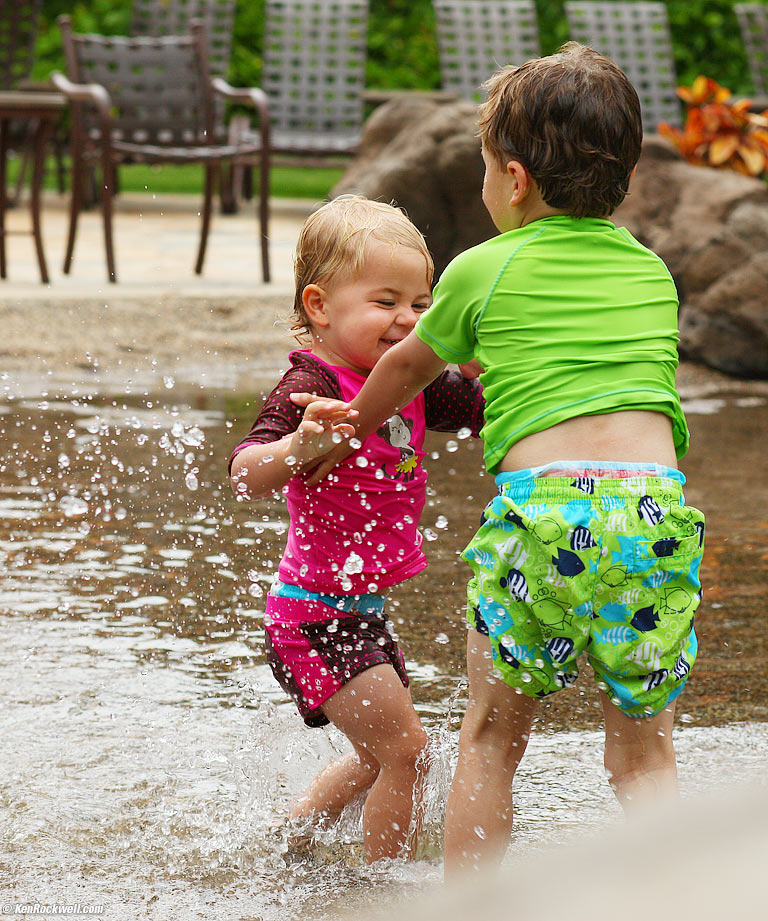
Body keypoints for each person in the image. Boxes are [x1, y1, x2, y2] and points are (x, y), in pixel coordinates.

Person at [303, 44, 706, 874]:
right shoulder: (651, 273)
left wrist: (350, 424)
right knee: (644, 758)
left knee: (490, 743)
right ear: (625, 176)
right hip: (654, 516)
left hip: (546, 514)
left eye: (487, 168)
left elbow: (408, 366)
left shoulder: (484, 267)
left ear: (513, 179)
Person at [228, 195, 484, 863]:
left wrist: (489, 367)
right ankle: (384, 890)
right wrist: (300, 446)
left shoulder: (414, 380)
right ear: (319, 306)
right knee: (409, 755)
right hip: (311, 615)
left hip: (358, 611)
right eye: (386, 301)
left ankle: (290, 841)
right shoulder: (311, 384)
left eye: (421, 304)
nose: (409, 319)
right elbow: (245, 473)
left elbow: (484, 410)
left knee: (378, 758)